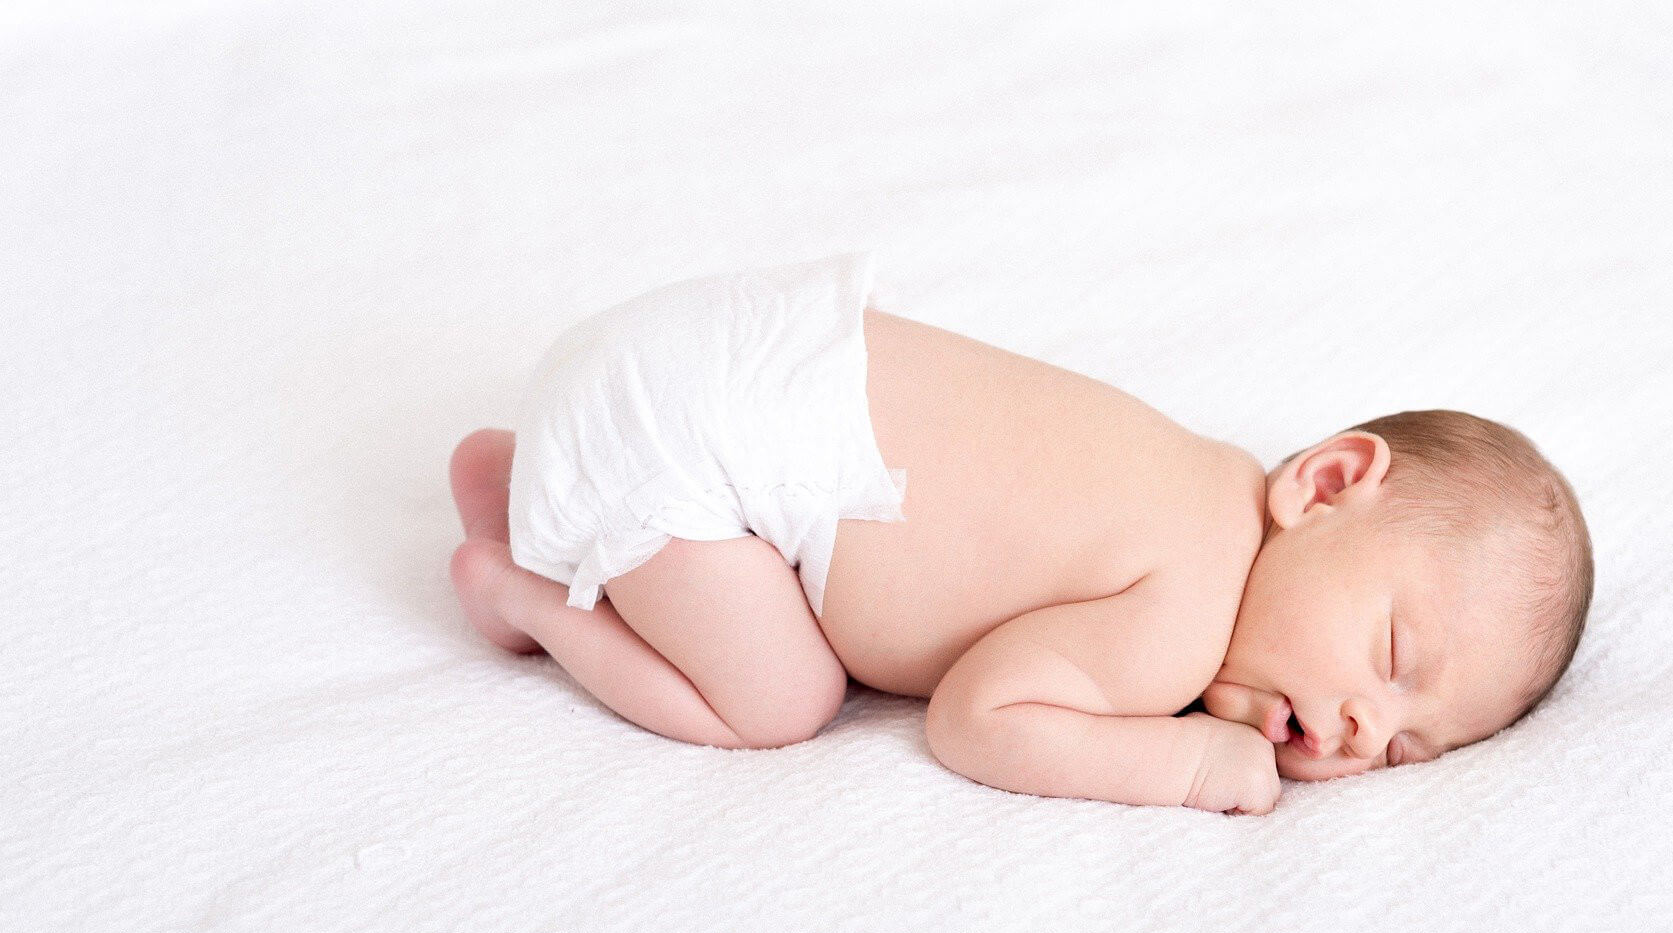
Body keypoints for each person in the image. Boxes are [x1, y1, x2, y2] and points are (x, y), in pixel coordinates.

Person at [447, 253, 1593, 814]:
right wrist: (1188, 762)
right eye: (1392, 659)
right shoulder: (1183, 613)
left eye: (1400, 748)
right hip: (686, 437)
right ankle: (531, 591)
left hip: (703, 356)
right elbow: (977, 718)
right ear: (1326, 480)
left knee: (750, 581)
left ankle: (532, 472)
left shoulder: (1187, 475)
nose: (1359, 725)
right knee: (779, 701)